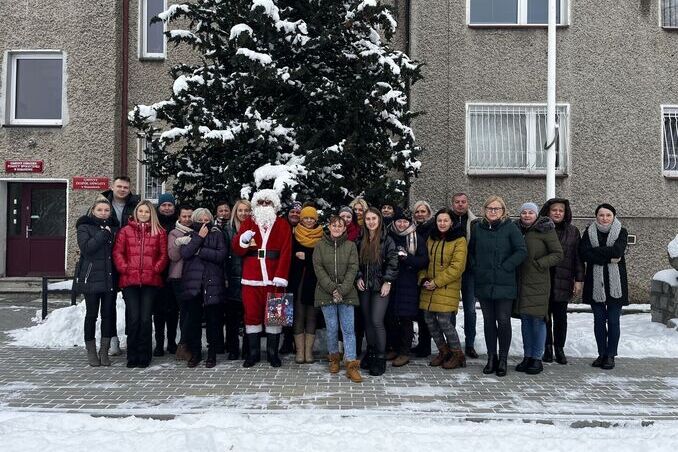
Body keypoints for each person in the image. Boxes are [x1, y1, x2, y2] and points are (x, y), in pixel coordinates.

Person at [232, 189, 292, 368]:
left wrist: (281, 276)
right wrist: (242, 240)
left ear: (275, 206)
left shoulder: (282, 224)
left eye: (268, 203)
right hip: (251, 278)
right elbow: (237, 250)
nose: (264, 206)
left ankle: (273, 354)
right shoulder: (248, 223)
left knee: (276, 316)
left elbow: (287, 252)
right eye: (261, 203)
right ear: (256, 205)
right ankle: (253, 353)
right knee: (251, 315)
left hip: (275, 278)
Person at [468, 196, 527, 377]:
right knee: (488, 321)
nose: (493, 211)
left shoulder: (510, 228)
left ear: (503, 210)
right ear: (484, 209)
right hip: (484, 282)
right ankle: (491, 357)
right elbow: (471, 251)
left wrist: (506, 266)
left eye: (497, 208)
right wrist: (476, 267)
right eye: (490, 208)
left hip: (504, 283)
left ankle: (503, 359)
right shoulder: (478, 228)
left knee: (503, 321)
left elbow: (521, 251)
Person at [113, 200, 168, 368]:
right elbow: (118, 252)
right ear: (136, 212)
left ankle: (145, 354)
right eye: (141, 211)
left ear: (151, 214)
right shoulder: (125, 231)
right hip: (130, 281)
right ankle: (133, 354)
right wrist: (125, 268)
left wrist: (155, 268)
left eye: (147, 212)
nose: (143, 214)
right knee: (133, 318)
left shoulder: (159, 231)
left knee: (145, 319)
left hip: (150, 281)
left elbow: (163, 255)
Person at [514, 202, 563, 375]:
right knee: (525, 320)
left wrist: (540, 264)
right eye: (524, 212)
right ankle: (527, 356)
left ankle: (537, 358)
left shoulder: (545, 229)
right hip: (520, 281)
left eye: (530, 213)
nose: (527, 215)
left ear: (536, 215)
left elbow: (558, 253)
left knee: (538, 319)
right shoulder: (517, 229)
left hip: (538, 281)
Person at [313, 215, 362, 382]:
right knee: (332, 327)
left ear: (344, 228)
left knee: (348, 329)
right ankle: (334, 358)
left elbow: (353, 268)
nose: (336, 228)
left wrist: (342, 289)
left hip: (347, 293)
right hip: (326, 293)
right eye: (334, 225)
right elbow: (318, 269)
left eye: (340, 226)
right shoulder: (320, 246)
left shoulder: (350, 246)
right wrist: (333, 289)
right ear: (329, 226)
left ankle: (351, 364)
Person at [579, 203, 629, 370]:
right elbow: (584, 253)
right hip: (595, 284)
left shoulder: (621, 231)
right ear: (596, 216)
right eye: (601, 215)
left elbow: (618, 251)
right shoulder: (589, 232)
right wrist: (608, 257)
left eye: (608, 215)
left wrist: (597, 253)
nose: (604, 218)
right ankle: (601, 353)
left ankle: (611, 355)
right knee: (599, 321)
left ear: (613, 216)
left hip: (616, 285)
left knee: (613, 321)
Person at [419, 208, 468, 370]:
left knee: (445, 322)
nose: (442, 223)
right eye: (439, 220)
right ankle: (443, 351)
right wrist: (424, 278)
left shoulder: (459, 240)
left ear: (451, 222)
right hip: (429, 287)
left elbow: (457, 267)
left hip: (446, 287)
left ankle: (457, 354)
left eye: (445, 220)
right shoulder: (431, 238)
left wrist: (436, 282)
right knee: (429, 321)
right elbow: (424, 260)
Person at [179, 208, 228, 368]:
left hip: (212, 283)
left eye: (207, 219)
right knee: (193, 321)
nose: (204, 222)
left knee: (213, 321)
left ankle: (212, 354)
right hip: (193, 283)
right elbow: (185, 253)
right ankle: (196, 353)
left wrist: (201, 251)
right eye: (201, 220)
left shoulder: (217, 234)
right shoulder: (189, 235)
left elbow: (221, 255)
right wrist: (199, 239)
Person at [539, 198, 585, 365]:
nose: (557, 213)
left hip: (564, 279)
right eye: (554, 210)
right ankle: (547, 347)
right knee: (544, 317)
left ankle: (559, 348)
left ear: (565, 213)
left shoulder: (573, 232)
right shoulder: (540, 230)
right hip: (543, 279)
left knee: (560, 317)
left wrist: (579, 279)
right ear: (548, 211)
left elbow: (577, 258)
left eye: (561, 210)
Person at [75, 198, 118, 367]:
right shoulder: (84, 226)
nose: (103, 213)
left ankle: (104, 351)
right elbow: (87, 248)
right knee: (91, 315)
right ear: (93, 210)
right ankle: (91, 351)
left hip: (109, 278)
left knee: (108, 316)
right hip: (91, 277)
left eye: (107, 210)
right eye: (100, 210)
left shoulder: (114, 227)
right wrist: (103, 233)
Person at [356, 207, 399, 376]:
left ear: (379, 220)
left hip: (380, 286)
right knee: (367, 321)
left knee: (376, 320)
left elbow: (393, 262)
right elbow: (355, 262)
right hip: (365, 286)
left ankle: (380, 357)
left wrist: (388, 281)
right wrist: (358, 277)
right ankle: (371, 352)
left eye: (374, 218)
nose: (371, 222)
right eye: (368, 219)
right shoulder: (360, 238)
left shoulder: (387, 239)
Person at [101, 176, 140, 356]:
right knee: (108, 304)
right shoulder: (102, 203)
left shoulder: (136, 204)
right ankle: (112, 340)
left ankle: (130, 338)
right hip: (107, 260)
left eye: (125, 187)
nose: (122, 189)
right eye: (119, 186)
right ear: (112, 187)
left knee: (131, 303)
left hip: (131, 261)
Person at [386, 208, 428, 367]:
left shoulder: (416, 237)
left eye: (405, 221)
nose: (402, 224)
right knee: (391, 317)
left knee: (405, 318)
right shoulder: (388, 235)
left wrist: (407, 258)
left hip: (408, 282)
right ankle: (394, 348)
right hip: (391, 281)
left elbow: (424, 260)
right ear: (394, 222)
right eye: (399, 221)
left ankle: (404, 352)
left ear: (410, 222)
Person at [289, 206, 323, 364]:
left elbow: (322, 259)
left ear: (316, 220)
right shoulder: (294, 233)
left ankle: (308, 352)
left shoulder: (323, 236)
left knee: (312, 315)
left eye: (312, 218)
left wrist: (306, 257)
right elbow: (289, 255)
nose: (309, 221)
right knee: (298, 315)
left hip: (315, 280)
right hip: (298, 280)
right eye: (306, 218)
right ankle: (299, 352)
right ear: (301, 219)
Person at [450, 192, 479, 359]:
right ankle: (452, 345)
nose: (460, 204)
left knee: (470, 310)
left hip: (469, 272)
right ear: (452, 203)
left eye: (463, 202)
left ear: (468, 203)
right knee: (451, 310)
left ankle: (470, 344)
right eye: (457, 202)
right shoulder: (446, 220)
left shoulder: (475, 223)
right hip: (452, 271)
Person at [223, 199, 252, 360]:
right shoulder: (228, 230)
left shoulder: (255, 230)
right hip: (232, 277)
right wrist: (225, 277)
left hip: (249, 277)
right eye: (240, 210)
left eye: (246, 210)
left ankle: (248, 348)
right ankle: (233, 348)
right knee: (232, 317)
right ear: (235, 212)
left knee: (249, 316)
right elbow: (224, 256)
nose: (243, 213)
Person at [153, 193, 179, 357]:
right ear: (159, 207)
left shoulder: (178, 223)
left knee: (173, 310)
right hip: (157, 273)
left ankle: (171, 342)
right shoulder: (155, 223)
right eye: (164, 205)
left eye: (170, 205)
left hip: (175, 272)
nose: (167, 208)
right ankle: (159, 343)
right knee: (158, 311)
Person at [167, 205, 194, 360]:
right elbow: (173, 256)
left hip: (193, 276)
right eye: (184, 216)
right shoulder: (174, 233)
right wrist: (179, 243)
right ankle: (183, 345)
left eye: (190, 216)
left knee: (191, 312)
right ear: (179, 217)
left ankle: (187, 343)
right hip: (179, 277)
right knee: (184, 311)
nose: (187, 219)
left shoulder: (197, 230)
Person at [411, 199, 435, 358]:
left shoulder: (432, 228)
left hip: (427, 275)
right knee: (418, 311)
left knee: (425, 312)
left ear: (428, 213)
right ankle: (421, 344)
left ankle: (425, 345)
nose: (420, 214)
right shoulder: (413, 229)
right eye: (417, 212)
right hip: (414, 274)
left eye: (422, 211)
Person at [280, 200, 303, 354]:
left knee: (296, 309)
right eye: (292, 212)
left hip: (300, 274)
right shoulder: (282, 228)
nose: (294, 214)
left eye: (297, 212)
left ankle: (295, 341)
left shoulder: (304, 230)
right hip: (283, 273)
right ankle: (286, 341)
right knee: (284, 307)